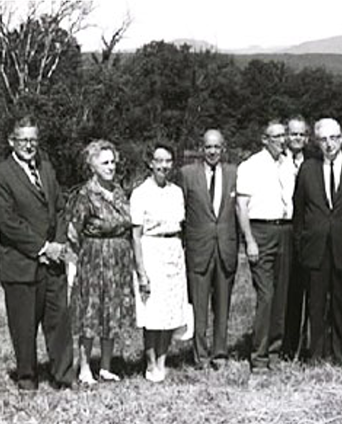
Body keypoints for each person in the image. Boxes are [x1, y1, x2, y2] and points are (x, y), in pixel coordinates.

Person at [0, 115, 75, 390]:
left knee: (59, 323)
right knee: (24, 328)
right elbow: (8, 222)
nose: (28, 145)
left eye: (33, 140)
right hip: (22, 265)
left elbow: (60, 208)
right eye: (23, 140)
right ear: (11, 141)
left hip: (53, 264)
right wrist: (42, 247)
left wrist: (58, 244)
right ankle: (27, 379)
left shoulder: (46, 168)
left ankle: (63, 377)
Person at [66, 140, 134, 384]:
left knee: (111, 312)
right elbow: (73, 232)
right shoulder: (86, 194)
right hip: (94, 260)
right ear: (92, 165)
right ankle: (85, 367)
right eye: (104, 162)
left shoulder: (119, 191)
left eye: (113, 162)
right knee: (91, 313)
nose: (110, 167)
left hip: (118, 261)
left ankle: (105, 366)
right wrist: (79, 263)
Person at [292, 118, 342, 364]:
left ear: (341, 139)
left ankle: (340, 353)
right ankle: (316, 354)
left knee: (341, 304)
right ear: (317, 142)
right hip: (315, 249)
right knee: (316, 305)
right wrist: (302, 244)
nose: (329, 144)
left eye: (333, 138)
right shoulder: (308, 169)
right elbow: (299, 211)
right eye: (323, 140)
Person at [237, 120, 297, 371]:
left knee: (282, 294)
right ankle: (259, 355)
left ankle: (275, 350)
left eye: (284, 136)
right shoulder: (250, 166)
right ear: (264, 139)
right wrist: (250, 240)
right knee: (266, 294)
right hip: (260, 231)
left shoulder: (288, 164)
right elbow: (241, 207)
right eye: (276, 137)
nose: (281, 141)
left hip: (285, 229)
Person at [178, 130, 239, 370]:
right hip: (198, 249)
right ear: (201, 149)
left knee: (223, 306)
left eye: (217, 147)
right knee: (199, 306)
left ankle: (220, 353)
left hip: (225, 248)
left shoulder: (234, 173)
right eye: (208, 147)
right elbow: (179, 212)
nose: (212, 151)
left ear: (223, 148)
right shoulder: (187, 174)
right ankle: (201, 356)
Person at [131, 142, 189, 382]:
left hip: (173, 251)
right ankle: (151, 361)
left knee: (169, 311)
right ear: (151, 163)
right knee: (152, 312)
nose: (164, 165)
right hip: (151, 249)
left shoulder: (176, 192)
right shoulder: (141, 193)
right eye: (159, 161)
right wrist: (142, 272)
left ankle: (163, 360)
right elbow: (135, 235)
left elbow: (181, 226)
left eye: (168, 161)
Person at [282, 115, 315, 360]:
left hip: (308, 233)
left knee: (309, 291)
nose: (297, 138)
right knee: (288, 292)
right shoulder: (278, 161)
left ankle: (307, 344)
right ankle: (286, 344)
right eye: (293, 134)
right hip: (284, 231)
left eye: (302, 134)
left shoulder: (313, 161)